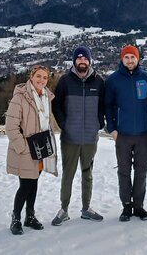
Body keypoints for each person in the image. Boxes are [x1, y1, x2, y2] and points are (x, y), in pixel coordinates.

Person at [51, 45, 106, 225]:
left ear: (90, 61)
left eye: (85, 58)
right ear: (74, 61)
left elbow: (104, 105)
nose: (82, 61)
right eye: (79, 58)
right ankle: (64, 209)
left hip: (90, 137)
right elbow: (56, 104)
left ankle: (86, 208)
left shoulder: (98, 82)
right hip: (70, 138)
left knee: (87, 173)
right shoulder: (65, 81)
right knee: (68, 174)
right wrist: (64, 124)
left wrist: (100, 122)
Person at [5, 65, 59, 235]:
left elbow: (49, 121)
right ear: (31, 76)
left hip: (41, 146)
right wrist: (23, 148)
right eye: (38, 76)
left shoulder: (46, 97)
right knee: (25, 185)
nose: (41, 80)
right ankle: (16, 218)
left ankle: (30, 216)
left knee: (34, 182)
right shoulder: (20, 98)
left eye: (45, 77)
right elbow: (11, 127)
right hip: (27, 148)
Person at [105, 44, 147, 222]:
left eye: (133, 57)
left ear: (138, 58)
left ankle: (138, 206)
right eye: (127, 57)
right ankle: (127, 206)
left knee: (141, 171)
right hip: (123, 134)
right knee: (124, 172)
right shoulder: (114, 80)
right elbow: (108, 106)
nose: (130, 60)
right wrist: (112, 129)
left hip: (143, 134)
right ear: (122, 59)